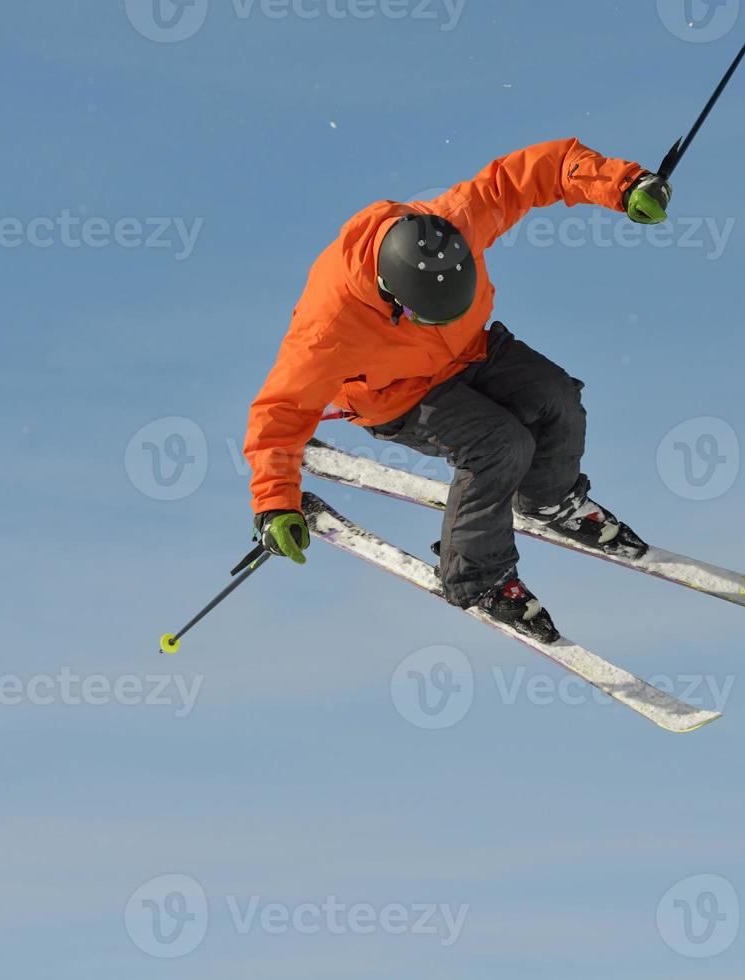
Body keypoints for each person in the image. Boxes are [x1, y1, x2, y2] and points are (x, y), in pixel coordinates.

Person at [243, 138, 672, 642]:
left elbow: (540, 170)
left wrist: (623, 185)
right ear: (395, 298)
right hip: (398, 395)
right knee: (500, 444)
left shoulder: (456, 221)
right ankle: (477, 576)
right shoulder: (330, 327)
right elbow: (281, 413)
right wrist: (274, 503)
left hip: (470, 351)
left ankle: (549, 500)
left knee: (555, 396)